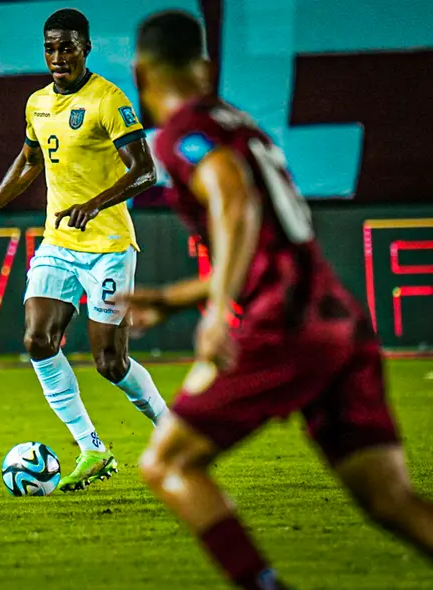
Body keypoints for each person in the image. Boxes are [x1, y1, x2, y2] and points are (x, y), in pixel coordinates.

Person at [125, 11, 433, 589]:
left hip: (286, 323)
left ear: (140, 72)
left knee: (166, 464)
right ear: (205, 67)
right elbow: (266, 239)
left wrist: (216, 314)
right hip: (336, 320)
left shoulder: (180, 133)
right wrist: (175, 297)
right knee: (390, 499)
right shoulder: (241, 125)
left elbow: (234, 201)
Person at [0, 8, 167, 492]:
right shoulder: (37, 104)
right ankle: (92, 447)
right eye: (50, 47)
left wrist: (94, 204)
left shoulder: (108, 100)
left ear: (86, 48)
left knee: (110, 364)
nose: (57, 56)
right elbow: (29, 160)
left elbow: (146, 170)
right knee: (37, 339)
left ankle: (172, 430)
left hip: (110, 246)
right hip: (59, 242)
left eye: (67, 46)